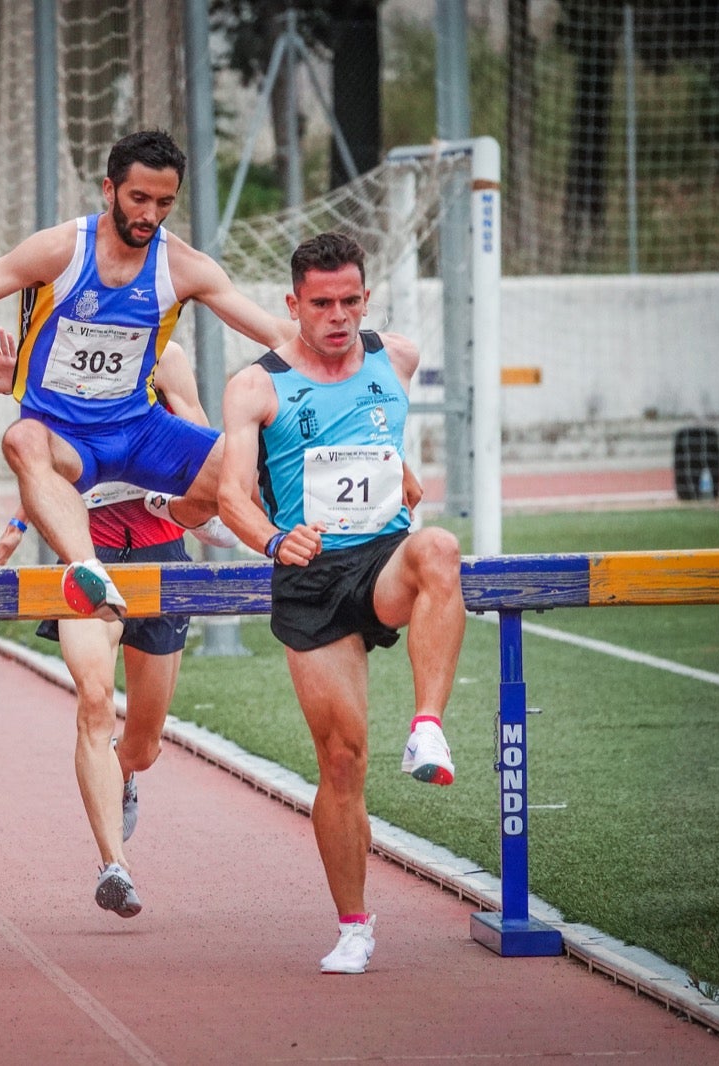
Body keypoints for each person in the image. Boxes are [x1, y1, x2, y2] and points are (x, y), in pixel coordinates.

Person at [0, 129, 283, 624]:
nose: (148, 215)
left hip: (140, 432)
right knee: (21, 437)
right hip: (64, 438)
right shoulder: (61, 250)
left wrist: (352, 346)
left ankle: (288, 545)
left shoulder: (182, 265)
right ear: (109, 189)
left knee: (241, 458)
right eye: (138, 198)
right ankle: (86, 569)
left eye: (164, 203)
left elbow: (272, 330)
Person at [216, 231, 463, 975]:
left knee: (442, 549)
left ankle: (427, 728)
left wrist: (406, 476)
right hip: (312, 571)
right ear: (293, 305)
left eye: (350, 301)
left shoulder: (400, 358)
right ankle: (354, 925)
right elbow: (231, 496)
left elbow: (379, 443)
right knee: (343, 760)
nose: (338, 315)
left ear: (365, 298)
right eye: (321, 303)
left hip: (384, 560)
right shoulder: (255, 386)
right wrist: (271, 541)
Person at [0, 337, 206, 919]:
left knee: (145, 744)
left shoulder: (169, 358)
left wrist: (175, 497)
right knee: (94, 700)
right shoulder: (62, 357)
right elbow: (41, 461)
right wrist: (16, 520)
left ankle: (125, 771)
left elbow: (202, 455)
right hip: (88, 557)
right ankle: (115, 866)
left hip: (160, 556)